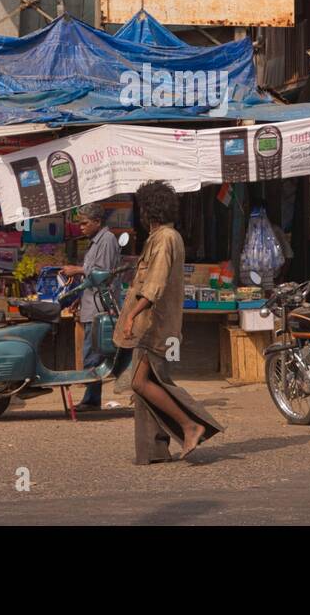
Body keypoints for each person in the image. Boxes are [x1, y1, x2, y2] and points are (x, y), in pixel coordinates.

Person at [116, 180, 224, 463]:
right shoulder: (163, 236)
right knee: (148, 385)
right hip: (155, 325)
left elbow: (154, 285)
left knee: (140, 383)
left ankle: (191, 425)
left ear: (148, 211)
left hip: (156, 325)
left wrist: (132, 314)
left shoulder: (164, 238)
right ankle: (154, 451)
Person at [61, 202, 121, 411]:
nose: (81, 227)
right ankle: (91, 397)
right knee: (91, 353)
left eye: (85, 223)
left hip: (99, 306)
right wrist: (79, 296)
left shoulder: (107, 240)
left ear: (97, 222)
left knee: (93, 354)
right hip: (90, 301)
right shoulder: (96, 241)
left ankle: (91, 399)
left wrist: (76, 270)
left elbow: (100, 273)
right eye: (80, 223)